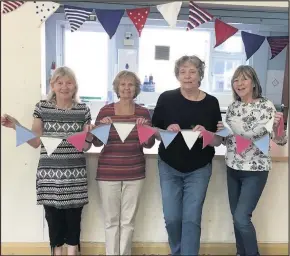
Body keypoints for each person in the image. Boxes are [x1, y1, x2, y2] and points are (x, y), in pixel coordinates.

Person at [1, 66, 94, 256]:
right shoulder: (42, 108)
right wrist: (16, 126)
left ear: (75, 86)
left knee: (74, 221)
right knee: (53, 220)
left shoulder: (83, 110)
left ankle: (72, 253)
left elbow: (85, 146)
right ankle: (56, 252)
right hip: (49, 177)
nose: (64, 87)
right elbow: (36, 142)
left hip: (75, 177)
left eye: (69, 82)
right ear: (52, 85)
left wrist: (91, 135)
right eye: (59, 82)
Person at [151, 55, 223, 255]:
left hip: (199, 168)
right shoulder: (166, 98)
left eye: (192, 71)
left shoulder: (211, 102)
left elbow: (218, 140)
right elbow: (154, 133)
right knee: (172, 218)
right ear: (177, 75)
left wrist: (207, 135)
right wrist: (166, 131)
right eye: (182, 71)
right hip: (169, 165)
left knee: (191, 219)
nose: (187, 76)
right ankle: (177, 252)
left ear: (200, 74)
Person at [216, 65, 288, 256]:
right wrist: (219, 131)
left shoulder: (266, 106)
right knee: (236, 217)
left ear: (254, 82)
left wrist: (279, 127)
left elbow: (280, 140)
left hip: (255, 170)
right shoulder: (232, 107)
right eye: (236, 80)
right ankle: (241, 253)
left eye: (244, 79)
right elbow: (228, 138)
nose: (239, 83)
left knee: (242, 218)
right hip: (232, 167)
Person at [86, 70, 155, 255]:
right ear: (117, 87)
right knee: (111, 221)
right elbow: (97, 142)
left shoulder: (143, 112)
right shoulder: (106, 111)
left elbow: (148, 144)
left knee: (128, 221)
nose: (126, 88)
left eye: (130, 84)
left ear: (136, 88)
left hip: (135, 172)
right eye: (123, 84)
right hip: (108, 173)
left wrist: (144, 129)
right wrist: (102, 128)